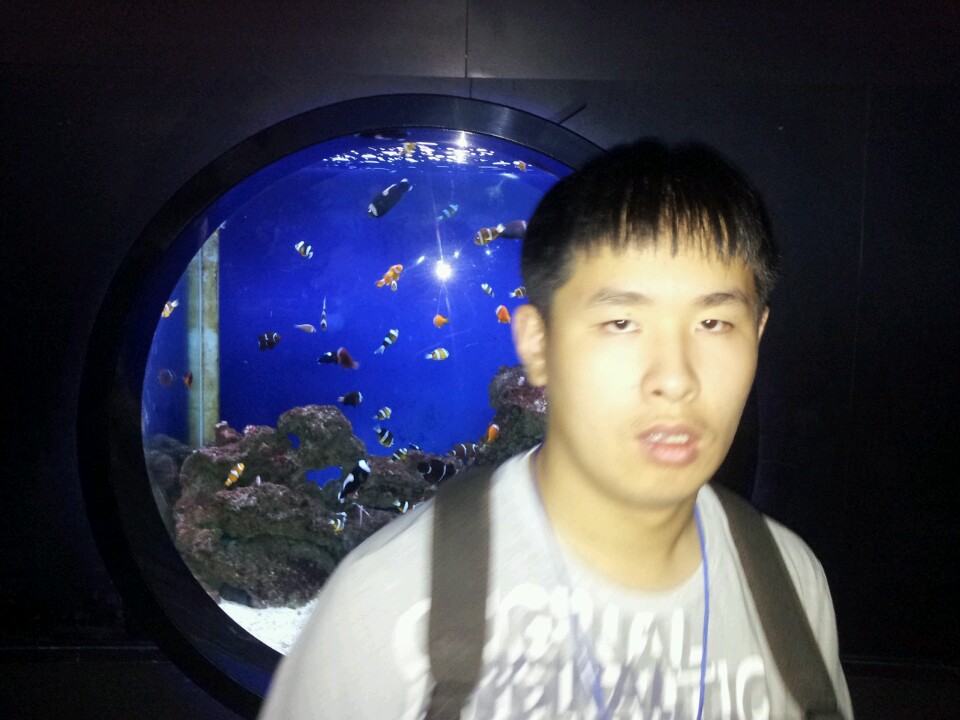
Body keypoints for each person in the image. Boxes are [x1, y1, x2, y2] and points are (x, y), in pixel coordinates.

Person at [259, 139, 854, 719]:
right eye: (621, 322)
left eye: (714, 323)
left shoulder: (791, 584)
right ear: (537, 344)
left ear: (758, 334)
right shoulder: (390, 604)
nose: (675, 379)